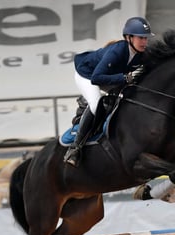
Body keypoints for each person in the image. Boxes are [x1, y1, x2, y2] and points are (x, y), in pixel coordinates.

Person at [63, 16, 154, 167]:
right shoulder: (117, 51)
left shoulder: (141, 54)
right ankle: (75, 149)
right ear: (129, 37)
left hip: (110, 77)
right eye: (141, 38)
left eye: (146, 38)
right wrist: (125, 78)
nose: (144, 42)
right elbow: (96, 78)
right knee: (95, 103)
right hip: (87, 75)